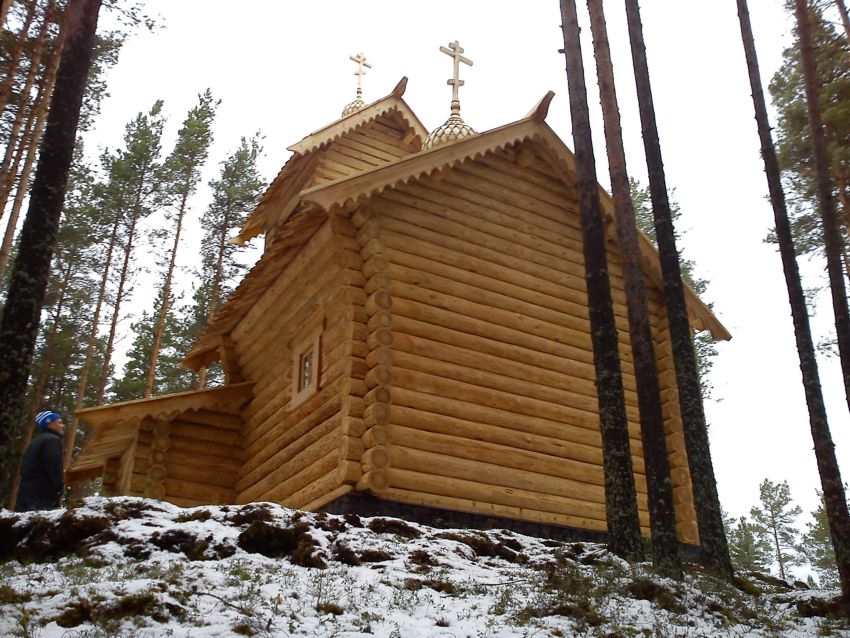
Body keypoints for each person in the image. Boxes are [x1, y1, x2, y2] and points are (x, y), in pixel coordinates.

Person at [15, 411, 65, 512]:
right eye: (59, 422)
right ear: (49, 423)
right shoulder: (52, 440)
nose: (63, 426)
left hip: (25, 495)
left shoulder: (35, 441)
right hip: (42, 497)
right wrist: (59, 488)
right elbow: (53, 465)